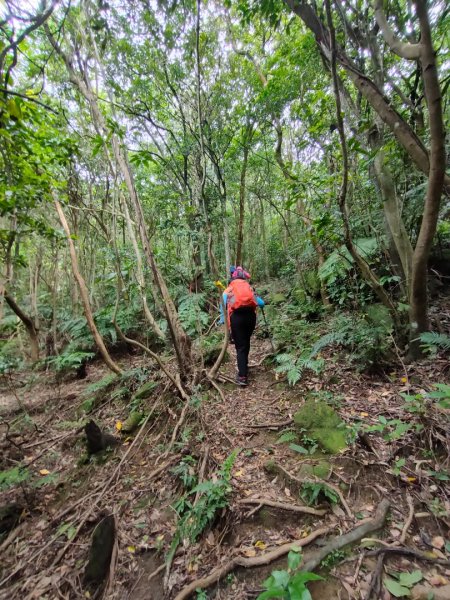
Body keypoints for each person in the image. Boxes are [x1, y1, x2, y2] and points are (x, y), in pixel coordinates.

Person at [219, 266, 264, 386]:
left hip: (237, 318)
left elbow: (223, 304)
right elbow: (261, 303)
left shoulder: (229, 289)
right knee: (246, 342)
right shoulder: (248, 288)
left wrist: (222, 320)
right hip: (250, 317)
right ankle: (245, 366)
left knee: (240, 346)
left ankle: (242, 376)